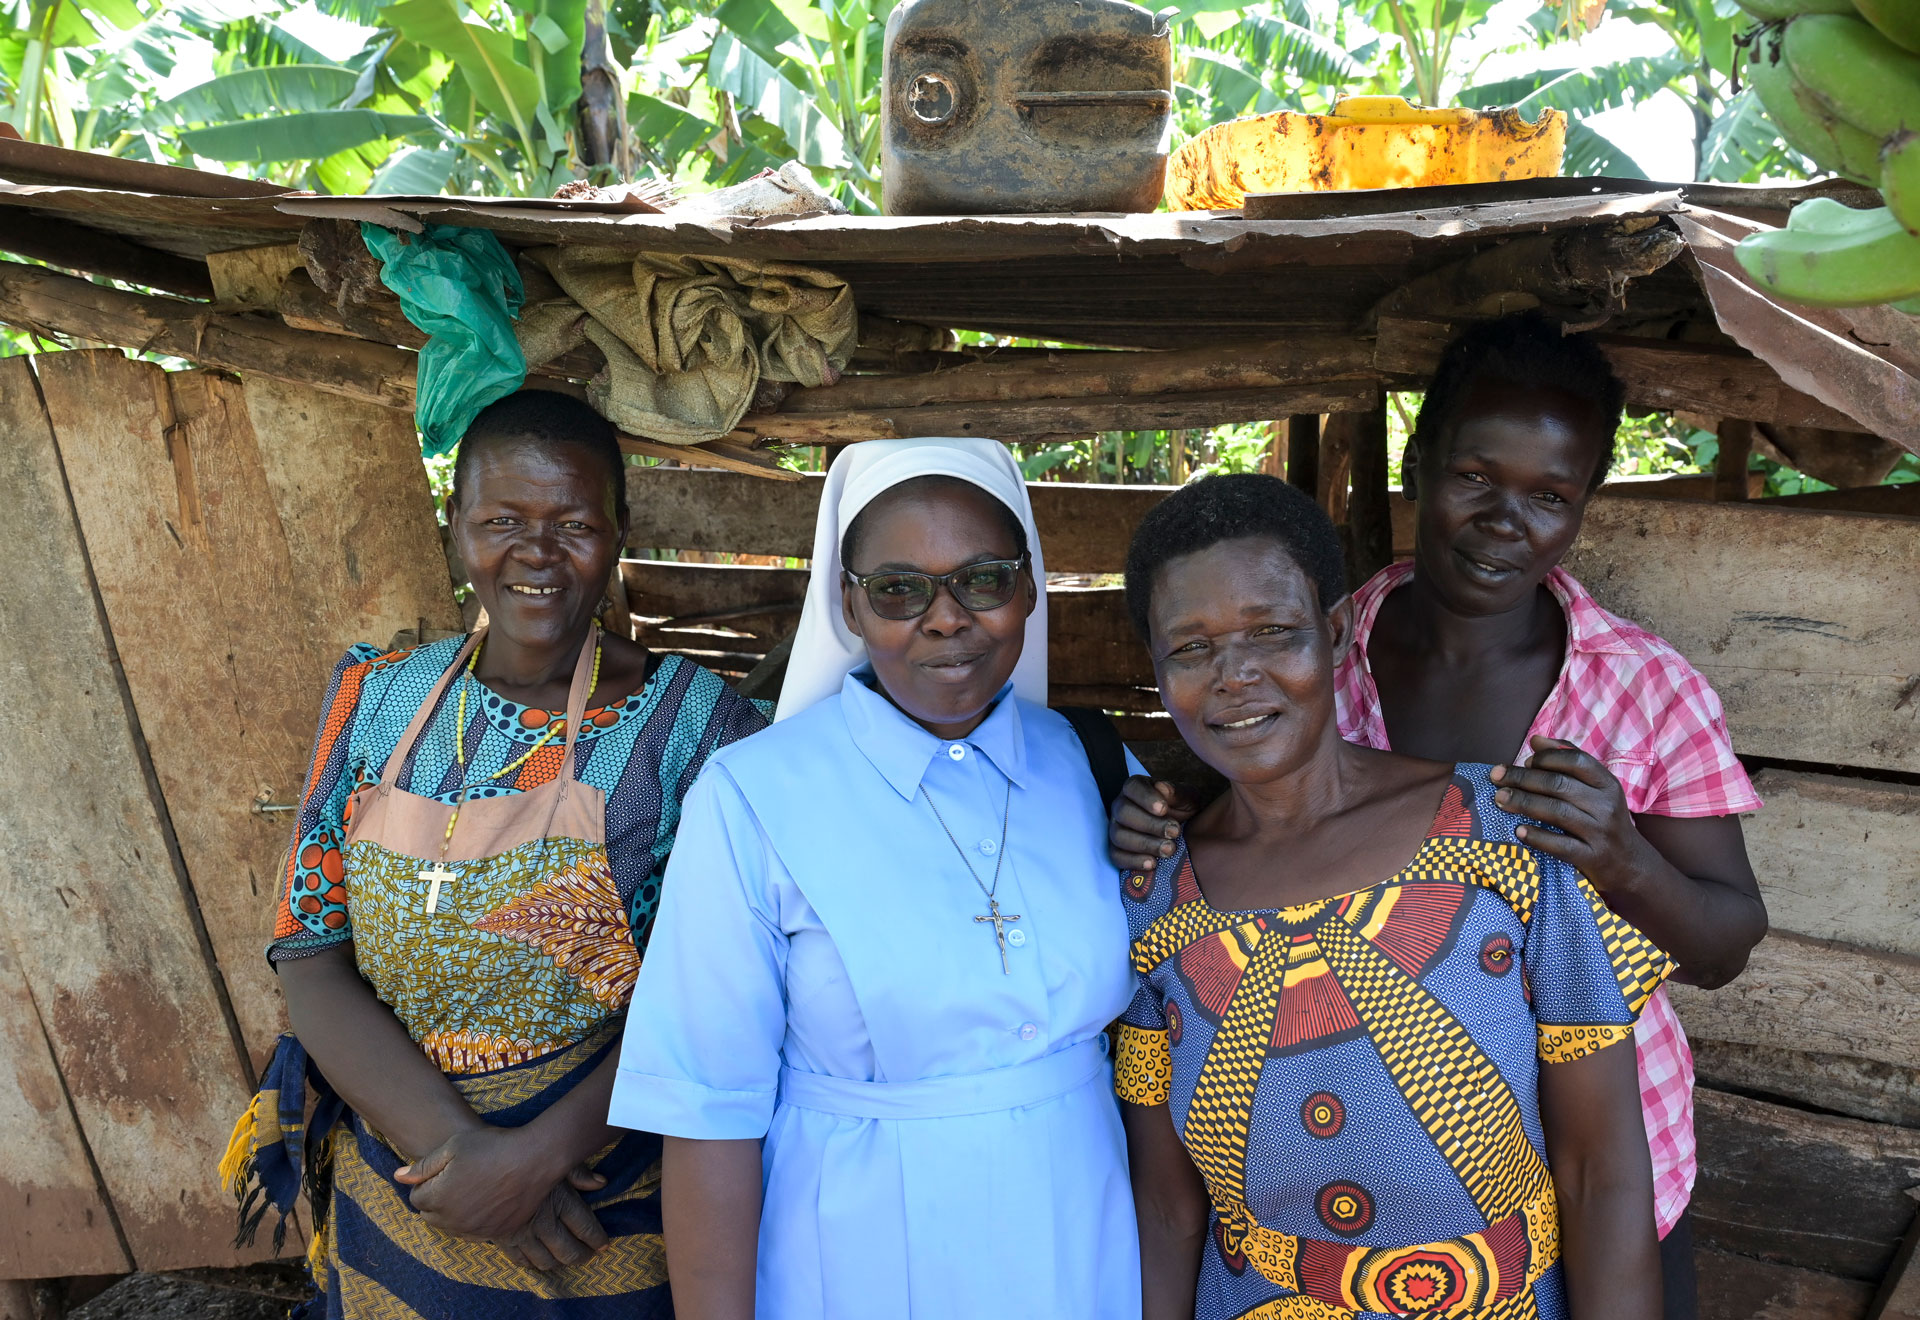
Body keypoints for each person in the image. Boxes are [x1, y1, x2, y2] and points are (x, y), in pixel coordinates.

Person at [1110, 313, 1765, 1320]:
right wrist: (1160, 810)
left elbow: (1724, 946)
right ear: (1419, 462)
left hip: (1611, 1148)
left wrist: (1623, 861)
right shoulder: (1321, 638)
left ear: (1585, 505)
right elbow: (1259, 782)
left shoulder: (1643, 689)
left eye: (1549, 497)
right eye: (1474, 478)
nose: (1504, 521)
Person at [227, 389, 768, 1318]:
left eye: (575, 525)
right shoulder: (378, 699)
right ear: (456, 525)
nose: (537, 552)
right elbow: (308, 950)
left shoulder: (702, 729)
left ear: (621, 533)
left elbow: (723, 995)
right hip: (400, 1189)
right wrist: (466, 1163)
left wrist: (535, 1161)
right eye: (501, 521)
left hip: (604, 1199)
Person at [609, 437, 1142, 1320]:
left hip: (1084, 1241)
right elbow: (708, 1115)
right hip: (859, 1257)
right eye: (898, 588)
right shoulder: (752, 797)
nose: (946, 618)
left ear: (1030, 587)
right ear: (849, 603)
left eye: (984, 579)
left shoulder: (1093, 766)